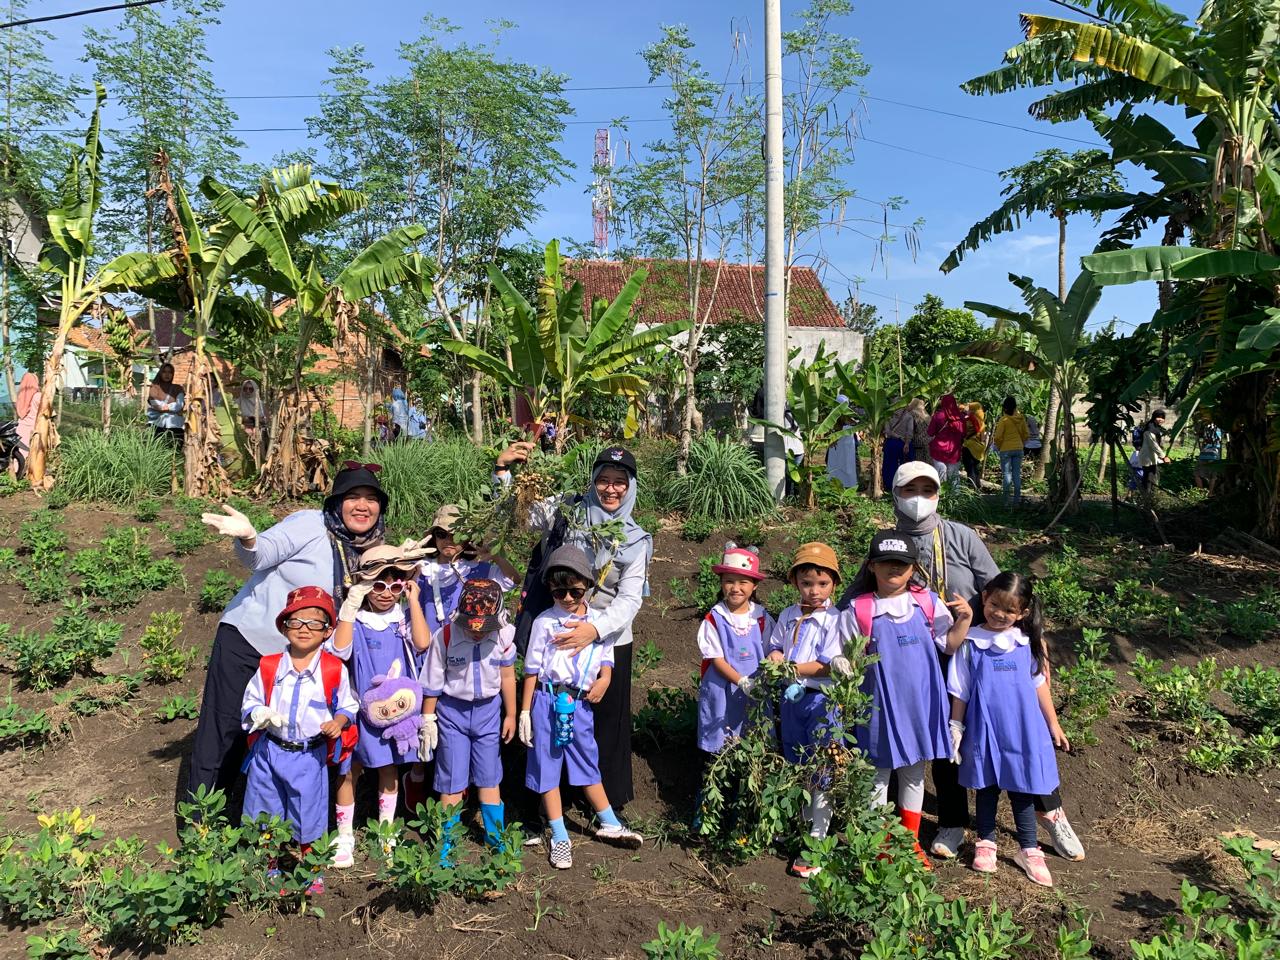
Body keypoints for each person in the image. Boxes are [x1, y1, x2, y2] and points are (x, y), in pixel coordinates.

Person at [836, 461, 1084, 862]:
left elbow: (1005, 589)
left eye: (927, 490)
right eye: (909, 489)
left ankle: (1052, 814)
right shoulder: (890, 545)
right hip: (918, 657)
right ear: (895, 493)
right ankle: (953, 822)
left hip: (975, 647)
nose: (919, 499)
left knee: (1019, 730)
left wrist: (1032, 637)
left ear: (938, 494)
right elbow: (856, 594)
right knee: (943, 741)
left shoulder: (960, 536)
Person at [191, 462, 388, 800]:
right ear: (336, 502)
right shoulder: (311, 525)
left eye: (371, 499)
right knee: (225, 729)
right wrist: (249, 536)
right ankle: (199, 818)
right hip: (249, 641)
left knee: (273, 734)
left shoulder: (372, 551)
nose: (362, 506)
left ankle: (251, 816)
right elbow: (261, 556)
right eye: (352, 497)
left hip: (297, 661)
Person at [496, 442, 651, 815]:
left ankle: (604, 804)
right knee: (554, 716)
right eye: (603, 480)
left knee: (603, 721)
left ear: (630, 487)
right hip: (557, 633)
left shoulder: (636, 539)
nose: (611, 489)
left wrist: (592, 630)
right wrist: (503, 472)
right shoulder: (569, 511)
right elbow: (526, 515)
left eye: (620, 482)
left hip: (608, 638)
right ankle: (556, 800)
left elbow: (629, 600)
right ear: (592, 481)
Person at [845, 531, 973, 868]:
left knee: (915, 774)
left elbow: (948, 645)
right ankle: (877, 843)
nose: (893, 569)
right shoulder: (859, 609)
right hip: (878, 707)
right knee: (878, 776)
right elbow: (846, 658)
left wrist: (965, 621)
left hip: (920, 705)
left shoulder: (927, 602)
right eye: (885, 562)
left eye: (901, 564)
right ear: (872, 566)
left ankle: (909, 841)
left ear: (913, 567)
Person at [518, 545, 644, 869]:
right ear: (550, 589)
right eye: (559, 592)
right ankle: (559, 835)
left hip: (579, 704)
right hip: (546, 700)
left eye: (574, 591)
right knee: (547, 767)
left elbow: (606, 658)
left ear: (587, 585)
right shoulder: (545, 622)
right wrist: (524, 711)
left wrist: (604, 679)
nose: (568, 599)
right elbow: (532, 668)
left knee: (587, 760)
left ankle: (609, 821)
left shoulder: (597, 622)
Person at [949, 572, 1069, 887]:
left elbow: (1039, 684)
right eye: (995, 605)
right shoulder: (970, 642)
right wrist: (956, 726)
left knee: (1023, 789)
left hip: (1023, 731)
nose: (1000, 614)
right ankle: (986, 843)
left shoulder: (1027, 643)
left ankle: (1029, 850)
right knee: (986, 788)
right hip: (984, 730)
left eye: (1009, 610)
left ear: (1022, 613)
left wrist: (1053, 723)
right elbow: (960, 689)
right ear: (984, 597)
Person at [240, 586, 357, 896]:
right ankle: (270, 868)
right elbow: (250, 700)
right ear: (284, 626)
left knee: (310, 815)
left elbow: (348, 704)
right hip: (270, 750)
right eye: (297, 621)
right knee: (265, 812)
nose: (305, 629)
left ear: (328, 631)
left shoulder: (333, 669)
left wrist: (338, 722)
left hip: (309, 754)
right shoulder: (269, 665)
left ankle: (311, 872)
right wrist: (258, 713)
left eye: (315, 623)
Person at [328, 544, 432, 867]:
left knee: (389, 769)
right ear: (365, 586)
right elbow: (339, 649)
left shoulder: (402, 619)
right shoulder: (357, 621)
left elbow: (423, 642)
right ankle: (345, 835)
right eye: (378, 586)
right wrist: (352, 602)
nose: (387, 594)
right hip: (362, 712)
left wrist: (413, 600)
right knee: (349, 771)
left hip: (394, 716)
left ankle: (386, 831)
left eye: (395, 586)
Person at [765, 541, 849, 879]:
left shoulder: (835, 619)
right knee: (796, 761)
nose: (813, 591)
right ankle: (800, 823)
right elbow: (774, 645)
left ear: (833, 584)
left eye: (822, 584)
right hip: (791, 699)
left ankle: (817, 840)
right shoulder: (788, 615)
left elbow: (825, 666)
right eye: (806, 583)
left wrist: (789, 667)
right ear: (795, 583)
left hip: (820, 701)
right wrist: (774, 657)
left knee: (822, 768)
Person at [421, 578, 518, 863]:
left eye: (483, 629)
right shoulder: (446, 636)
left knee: (489, 776)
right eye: (472, 627)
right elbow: (433, 682)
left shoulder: (503, 637)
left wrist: (511, 714)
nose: (477, 634)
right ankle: (447, 843)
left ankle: (495, 839)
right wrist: (428, 718)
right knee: (451, 778)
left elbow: (508, 677)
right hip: (452, 713)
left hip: (489, 712)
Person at [696, 543, 773, 754]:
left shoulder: (761, 618)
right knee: (723, 737)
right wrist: (740, 680)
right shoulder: (715, 618)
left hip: (754, 687)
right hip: (723, 687)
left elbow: (770, 651)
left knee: (754, 736)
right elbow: (716, 659)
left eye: (743, 582)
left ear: (754, 585)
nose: (735, 588)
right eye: (729, 581)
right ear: (721, 584)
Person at [993, 397, 1030, 506]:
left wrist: (999, 447)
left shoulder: (1003, 420)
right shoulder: (1021, 418)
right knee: (1016, 474)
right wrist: (1021, 444)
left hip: (1005, 449)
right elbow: (1026, 434)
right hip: (1018, 448)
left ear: (1004, 408)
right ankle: (1017, 501)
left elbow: (998, 437)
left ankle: (1006, 501)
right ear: (1015, 407)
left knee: (1006, 474)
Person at [927, 394, 967, 482]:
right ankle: (956, 495)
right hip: (954, 451)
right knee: (954, 477)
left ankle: (942, 494)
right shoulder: (960, 417)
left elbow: (930, 433)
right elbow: (964, 434)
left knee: (941, 476)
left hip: (939, 450)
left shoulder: (938, 416)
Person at [147, 363, 185, 448]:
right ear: (160, 373)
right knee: (157, 449)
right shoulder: (154, 388)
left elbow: (179, 405)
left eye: (170, 372)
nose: (167, 375)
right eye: (164, 372)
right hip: (157, 425)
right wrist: (173, 408)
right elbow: (156, 404)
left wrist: (165, 408)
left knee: (176, 449)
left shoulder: (177, 388)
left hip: (175, 425)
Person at [826, 395, 859, 489]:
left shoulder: (849, 416)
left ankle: (847, 486)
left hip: (847, 446)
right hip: (836, 446)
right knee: (836, 466)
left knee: (848, 466)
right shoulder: (833, 416)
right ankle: (836, 486)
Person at [883, 403, 916, 491]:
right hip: (904, 444)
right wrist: (907, 443)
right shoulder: (909, 416)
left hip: (891, 443)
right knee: (906, 465)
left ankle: (890, 486)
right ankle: (905, 485)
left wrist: (897, 436)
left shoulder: (889, 416)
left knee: (890, 465)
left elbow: (887, 431)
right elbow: (910, 432)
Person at [1137, 409, 1171, 493]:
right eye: (1158, 417)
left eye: (1162, 418)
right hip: (1147, 458)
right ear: (1154, 417)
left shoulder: (1155, 428)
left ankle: (1148, 496)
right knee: (1148, 478)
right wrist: (1164, 457)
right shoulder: (1150, 429)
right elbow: (1154, 445)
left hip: (1151, 458)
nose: (1161, 419)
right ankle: (1147, 497)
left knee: (1150, 478)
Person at [961, 401, 987, 491]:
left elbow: (963, 432)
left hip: (969, 446)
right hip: (979, 448)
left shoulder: (970, 419)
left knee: (970, 470)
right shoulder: (982, 421)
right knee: (975, 469)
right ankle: (977, 489)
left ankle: (971, 490)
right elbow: (983, 437)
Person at [1193, 416, 1223, 492]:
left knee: (1197, 473)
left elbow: (1198, 434)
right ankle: (1210, 492)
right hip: (1214, 453)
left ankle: (1200, 492)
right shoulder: (1220, 427)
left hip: (1204, 453)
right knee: (1213, 475)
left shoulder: (1205, 427)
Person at [14, 371, 38, 464]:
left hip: (21, 429)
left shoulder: (20, 396)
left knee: (18, 456)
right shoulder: (38, 396)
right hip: (34, 431)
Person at [908, 398, 931, 464]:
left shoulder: (912, 414)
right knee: (927, 463)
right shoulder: (925, 414)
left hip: (918, 442)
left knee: (918, 464)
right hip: (928, 441)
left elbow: (911, 429)